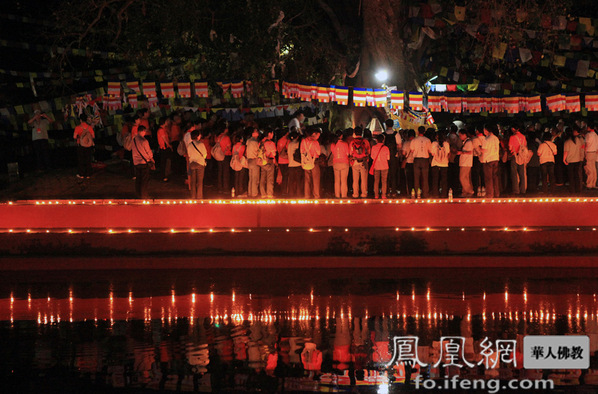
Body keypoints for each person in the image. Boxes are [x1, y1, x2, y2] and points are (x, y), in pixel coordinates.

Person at [131, 125, 153, 198]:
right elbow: (148, 151)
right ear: (142, 131)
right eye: (145, 131)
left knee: (138, 179)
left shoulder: (133, 139)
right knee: (144, 180)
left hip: (136, 162)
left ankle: (138, 194)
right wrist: (151, 158)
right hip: (144, 162)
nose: (145, 133)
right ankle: (144, 195)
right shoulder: (144, 141)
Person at [410, 126, 432, 198]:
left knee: (416, 177)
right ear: (424, 132)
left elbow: (412, 150)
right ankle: (425, 193)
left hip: (416, 159)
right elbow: (430, 151)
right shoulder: (428, 140)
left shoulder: (414, 140)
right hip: (425, 160)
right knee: (425, 177)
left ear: (418, 132)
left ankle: (417, 193)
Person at [349, 128, 370, 198]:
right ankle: (364, 193)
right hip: (363, 162)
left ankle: (355, 194)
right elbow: (369, 152)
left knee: (355, 180)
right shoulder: (365, 141)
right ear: (362, 133)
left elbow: (350, 153)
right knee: (364, 180)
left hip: (355, 162)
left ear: (354, 133)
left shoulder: (352, 142)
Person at [481, 123, 501, 198]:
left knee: (488, 178)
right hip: (495, 159)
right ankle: (497, 193)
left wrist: (479, 148)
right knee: (495, 177)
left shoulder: (487, 139)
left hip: (488, 160)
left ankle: (489, 194)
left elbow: (484, 150)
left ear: (486, 130)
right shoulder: (496, 138)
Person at [563, 126, 585, 194]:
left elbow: (566, 152)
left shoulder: (567, 142)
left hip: (570, 161)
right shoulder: (578, 140)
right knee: (577, 176)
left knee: (571, 176)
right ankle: (578, 189)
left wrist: (564, 160)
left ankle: (572, 190)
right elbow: (581, 147)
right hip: (577, 160)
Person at [301, 127, 321, 198]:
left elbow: (301, 151)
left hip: (306, 162)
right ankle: (316, 195)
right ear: (314, 134)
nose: (318, 137)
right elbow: (318, 152)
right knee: (316, 180)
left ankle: (307, 195)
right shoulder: (315, 142)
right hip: (314, 162)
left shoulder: (303, 141)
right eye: (318, 135)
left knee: (307, 180)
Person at [187, 129, 207, 199]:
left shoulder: (189, 145)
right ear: (198, 136)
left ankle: (193, 196)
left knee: (193, 181)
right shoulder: (201, 144)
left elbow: (189, 154)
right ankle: (199, 197)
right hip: (200, 163)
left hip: (192, 164)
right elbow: (205, 154)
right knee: (200, 182)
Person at [73, 113, 94, 178]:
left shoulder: (77, 127)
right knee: (88, 159)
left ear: (80, 120)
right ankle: (88, 174)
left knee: (81, 159)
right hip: (88, 145)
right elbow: (93, 136)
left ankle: (81, 174)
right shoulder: (89, 127)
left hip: (80, 145)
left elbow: (74, 137)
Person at [384, 119, 402, 196]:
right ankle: (394, 191)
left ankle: (387, 191)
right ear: (392, 125)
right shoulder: (396, 134)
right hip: (394, 156)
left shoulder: (383, 134)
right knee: (393, 174)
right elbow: (399, 146)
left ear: (386, 125)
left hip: (385, 157)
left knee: (386, 174)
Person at [508, 125, 527, 195]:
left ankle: (516, 190)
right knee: (522, 173)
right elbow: (524, 146)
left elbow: (510, 148)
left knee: (514, 174)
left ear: (513, 129)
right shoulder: (523, 137)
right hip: (521, 156)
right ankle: (523, 190)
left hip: (514, 156)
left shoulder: (512, 137)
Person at [258, 128, 277, 199]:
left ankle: (263, 194)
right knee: (270, 179)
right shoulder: (270, 143)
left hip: (262, 162)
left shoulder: (261, 142)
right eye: (272, 133)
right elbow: (274, 154)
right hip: (269, 162)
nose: (272, 135)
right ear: (269, 133)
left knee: (262, 178)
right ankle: (269, 194)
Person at [370, 134, 390, 199]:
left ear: (376, 140)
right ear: (383, 140)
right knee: (384, 181)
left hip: (376, 166)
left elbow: (372, 157)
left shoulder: (373, 147)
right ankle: (383, 195)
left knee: (376, 181)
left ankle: (376, 195)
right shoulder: (386, 148)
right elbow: (388, 158)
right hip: (384, 166)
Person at [331, 129, 350, 198]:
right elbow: (348, 154)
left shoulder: (333, 144)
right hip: (344, 162)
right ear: (341, 136)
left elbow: (333, 153)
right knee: (344, 180)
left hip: (336, 163)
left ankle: (337, 195)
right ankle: (344, 195)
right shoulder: (345, 144)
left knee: (337, 180)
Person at [430, 131, 450, 198]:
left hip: (435, 163)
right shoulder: (446, 144)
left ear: (436, 137)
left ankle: (435, 194)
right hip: (444, 164)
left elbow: (432, 153)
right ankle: (444, 194)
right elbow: (448, 153)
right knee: (444, 180)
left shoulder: (434, 143)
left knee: (435, 180)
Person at [215, 125, 232, 194]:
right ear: (225, 130)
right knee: (226, 172)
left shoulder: (218, 137)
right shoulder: (226, 137)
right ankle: (225, 188)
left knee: (220, 172)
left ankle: (220, 188)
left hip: (218, 155)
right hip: (225, 155)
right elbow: (229, 147)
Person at [457, 129, 474, 197]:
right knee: (466, 178)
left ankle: (469, 190)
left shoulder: (468, 142)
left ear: (464, 135)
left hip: (466, 163)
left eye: (460, 135)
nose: (460, 137)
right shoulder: (465, 142)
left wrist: (461, 152)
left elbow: (470, 152)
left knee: (462, 177)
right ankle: (465, 192)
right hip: (465, 162)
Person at [287, 131, 303, 197]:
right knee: (298, 181)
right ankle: (299, 194)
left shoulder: (289, 144)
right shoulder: (298, 144)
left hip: (290, 164)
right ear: (297, 137)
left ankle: (291, 194)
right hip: (298, 164)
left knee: (291, 181)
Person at [156, 116, 173, 182]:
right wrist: (170, 146)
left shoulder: (164, 129)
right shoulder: (161, 130)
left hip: (166, 147)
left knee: (167, 161)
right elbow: (165, 140)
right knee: (164, 162)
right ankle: (163, 176)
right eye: (166, 121)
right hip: (164, 148)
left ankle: (166, 175)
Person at [246, 128, 261, 198]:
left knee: (251, 178)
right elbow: (258, 151)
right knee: (255, 178)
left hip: (249, 160)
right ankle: (254, 193)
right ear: (253, 133)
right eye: (256, 131)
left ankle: (250, 192)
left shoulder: (248, 141)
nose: (257, 133)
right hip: (254, 160)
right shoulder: (255, 142)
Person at [584, 121, 597, 189]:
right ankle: (593, 183)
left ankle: (589, 184)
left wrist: (584, 153)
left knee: (589, 169)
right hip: (594, 153)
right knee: (593, 168)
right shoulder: (596, 135)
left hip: (589, 153)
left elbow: (587, 144)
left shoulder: (588, 135)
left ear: (588, 127)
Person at [276, 128, 290, 196]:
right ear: (287, 133)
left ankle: (282, 191)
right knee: (286, 177)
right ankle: (285, 191)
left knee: (282, 176)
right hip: (287, 161)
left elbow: (278, 151)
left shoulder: (279, 141)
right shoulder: (288, 141)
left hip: (280, 161)